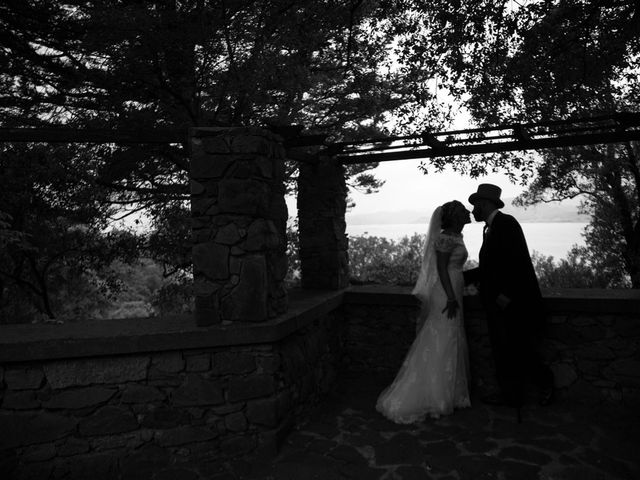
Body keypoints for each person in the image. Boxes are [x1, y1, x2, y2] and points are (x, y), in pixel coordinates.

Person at [376, 200, 472, 423]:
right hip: (446, 292)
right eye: (464, 211)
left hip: (455, 288)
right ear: (456, 216)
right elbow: (441, 269)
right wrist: (450, 296)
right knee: (442, 336)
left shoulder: (456, 236)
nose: (468, 213)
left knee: (452, 336)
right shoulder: (445, 238)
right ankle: (434, 395)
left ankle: (451, 392)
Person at [464, 184, 554, 416]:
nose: (473, 210)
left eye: (475, 205)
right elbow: (489, 269)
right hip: (496, 303)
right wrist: (460, 277)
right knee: (503, 350)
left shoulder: (507, 224)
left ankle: (546, 386)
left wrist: (507, 295)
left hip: (511, 304)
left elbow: (517, 262)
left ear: (484, 204)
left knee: (521, 348)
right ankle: (511, 395)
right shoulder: (490, 228)